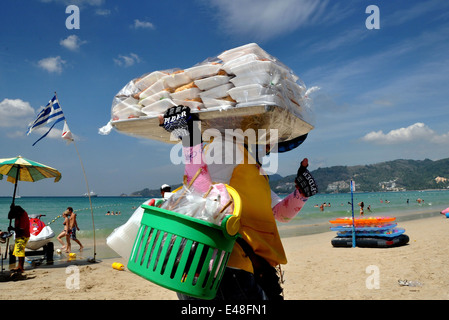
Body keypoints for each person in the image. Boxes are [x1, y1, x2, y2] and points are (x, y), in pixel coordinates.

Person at [159, 105, 318, 300]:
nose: (271, 148)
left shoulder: (252, 169)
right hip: (225, 270)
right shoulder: (227, 146)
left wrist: (301, 195)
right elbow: (200, 192)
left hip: (247, 268)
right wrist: (189, 138)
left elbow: (278, 214)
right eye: (271, 139)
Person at [8, 205, 30, 273]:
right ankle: (19, 266)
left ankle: (21, 268)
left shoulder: (23, 216)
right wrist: (11, 209)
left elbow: (21, 230)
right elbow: (10, 217)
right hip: (19, 235)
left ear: (18, 212)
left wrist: (12, 229)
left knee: (20, 251)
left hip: (23, 235)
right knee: (18, 251)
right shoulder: (19, 214)